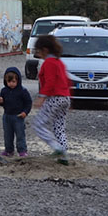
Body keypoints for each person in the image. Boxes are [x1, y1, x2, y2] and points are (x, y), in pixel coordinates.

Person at [32, 35, 72, 165]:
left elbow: (50, 82)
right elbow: (67, 80)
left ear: (45, 50)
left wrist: (41, 98)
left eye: (38, 51)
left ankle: (57, 148)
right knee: (59, 127)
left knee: (38, 124)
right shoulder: (59, 62)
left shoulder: (48, 63)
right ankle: (64, 156)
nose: (38, 54)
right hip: (65, 98)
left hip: (54, 98)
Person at [0, 67, 32, 157]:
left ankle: (22, 150)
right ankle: (9, 150)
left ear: (18, 80)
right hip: (7, 116)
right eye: (9, 82)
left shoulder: (22, 91)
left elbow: (28, 103)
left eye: (13, 82)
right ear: (6, 81)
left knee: (20, 135)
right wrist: (0, 101)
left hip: (18, 116)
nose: (11, 84)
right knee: (7, 135)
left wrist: (25, 112)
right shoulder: (4, 91)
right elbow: (2, 103)